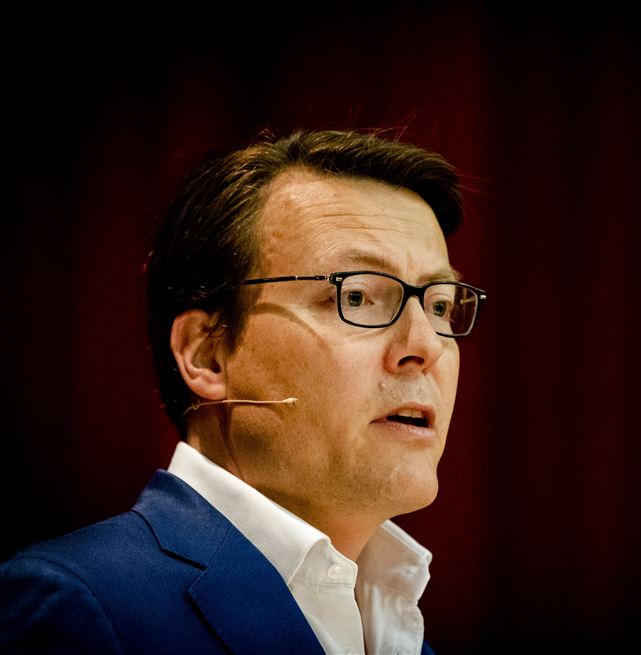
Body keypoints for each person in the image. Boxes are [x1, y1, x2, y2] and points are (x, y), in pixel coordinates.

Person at [0, 128, 486, 654]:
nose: (426, 346)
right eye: (358, 296)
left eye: (439, 305)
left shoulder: (401, 635)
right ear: (207, 354)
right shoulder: (82, 605)